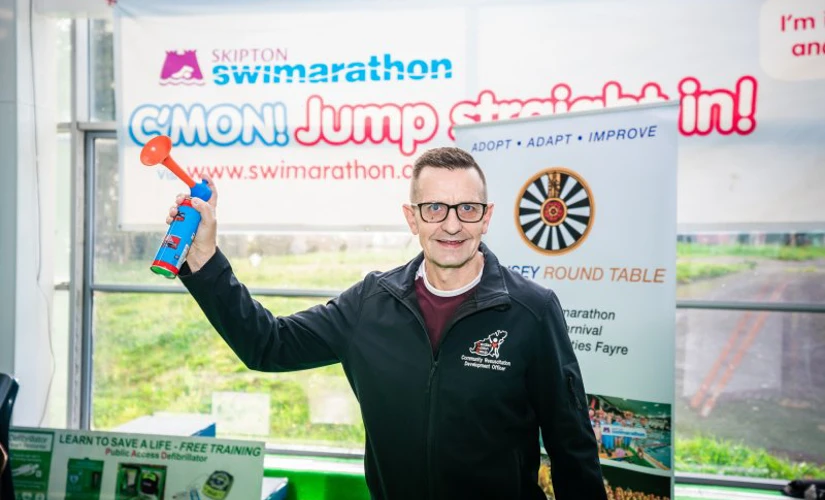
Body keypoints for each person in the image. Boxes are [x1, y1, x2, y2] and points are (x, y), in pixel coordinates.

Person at [170, 147, 607, 500]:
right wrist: (206, 261)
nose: (452, 224)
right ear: (412, 217)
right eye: (434, 207)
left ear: (487, 216)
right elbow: (268, 345)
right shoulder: (369, 304)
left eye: (467, 208)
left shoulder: (531, 311)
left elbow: (572, 449)